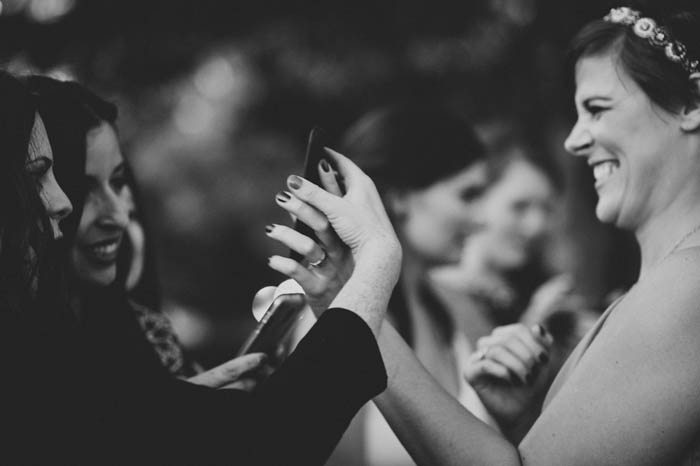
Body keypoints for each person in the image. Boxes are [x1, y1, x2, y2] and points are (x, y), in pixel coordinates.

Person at [268, 2, 700, 463]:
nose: (574, 140)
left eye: (596, 108)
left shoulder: (686, 285)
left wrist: (353, 306)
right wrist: (518, 419)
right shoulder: (668, 282)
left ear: (691, 104)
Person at [0, 70, 395, 465]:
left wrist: (181, 413)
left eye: (120, 182)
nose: (61, 202)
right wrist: (377, 258)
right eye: (36, 176)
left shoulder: (119, 338)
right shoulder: (33, 366)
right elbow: (274, 440)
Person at [266, 102, 544, 465]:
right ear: (400, 197)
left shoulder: (462, 310)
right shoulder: (323, 323)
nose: (481, 220)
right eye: (468, 195)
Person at [28, 76, 272, 387]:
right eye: (82, 189)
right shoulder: (25, 355)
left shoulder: (139, 327)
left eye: (118, 182)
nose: (118, 215)